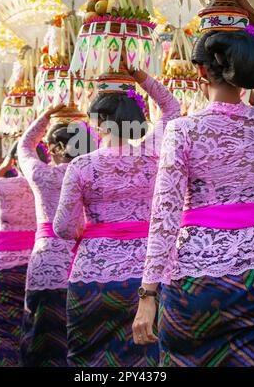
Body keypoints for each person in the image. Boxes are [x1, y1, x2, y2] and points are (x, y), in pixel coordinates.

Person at [132, 0, 254, 367]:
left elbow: (165, 213)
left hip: (195, 282)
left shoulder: (183, 130)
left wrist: (148, 293)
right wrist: (252, 16)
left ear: (199, 72)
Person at [54, 69, 180, 367]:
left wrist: (89, 230)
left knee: (89, 361)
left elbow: (63, 227)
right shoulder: (153, 153)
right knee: (146, 360)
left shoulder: (82, 165)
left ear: (97, 122)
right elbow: (171, 106)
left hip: (92, 278)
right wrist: (140, 76)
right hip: (146, 279)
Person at [18, 105, 96, 367]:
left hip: (45, 266)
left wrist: (47, 115)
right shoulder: (90, 172)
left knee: (39, 337)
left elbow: (24, 147)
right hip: (82, 265)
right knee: (79, 339)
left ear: (51, 149)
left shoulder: (41, 175)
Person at [0, 143, 46, 367]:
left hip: (4, 269)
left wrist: (3, 169)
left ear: (16, 161)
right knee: (35, 330)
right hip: (38, 267)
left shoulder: (0, 186)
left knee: (4, 330)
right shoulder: (46, 183)